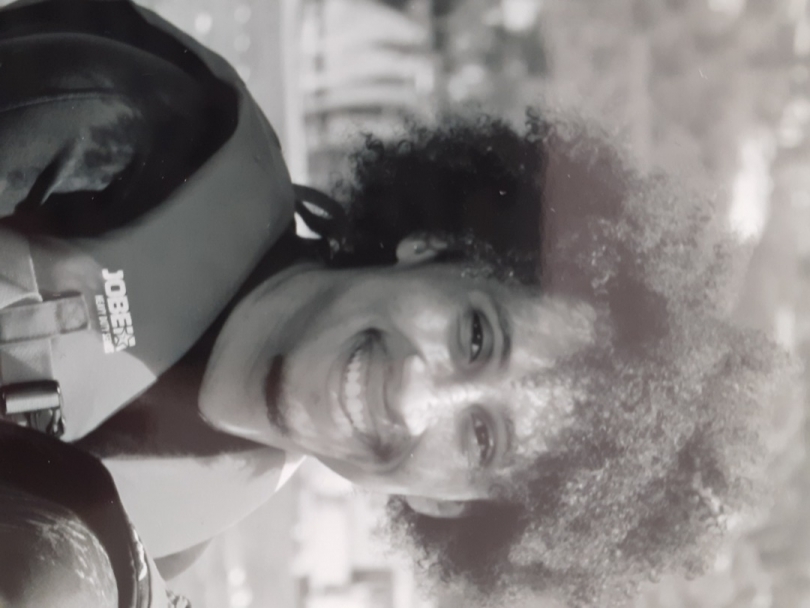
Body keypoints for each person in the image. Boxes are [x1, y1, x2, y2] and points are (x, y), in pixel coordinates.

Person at [0, 0, 793, 606]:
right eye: (475, 337)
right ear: (433, 250)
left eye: (481, 437)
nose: (415, 391)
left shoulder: (169, 542)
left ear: (441, 504)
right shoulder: (164, 135)